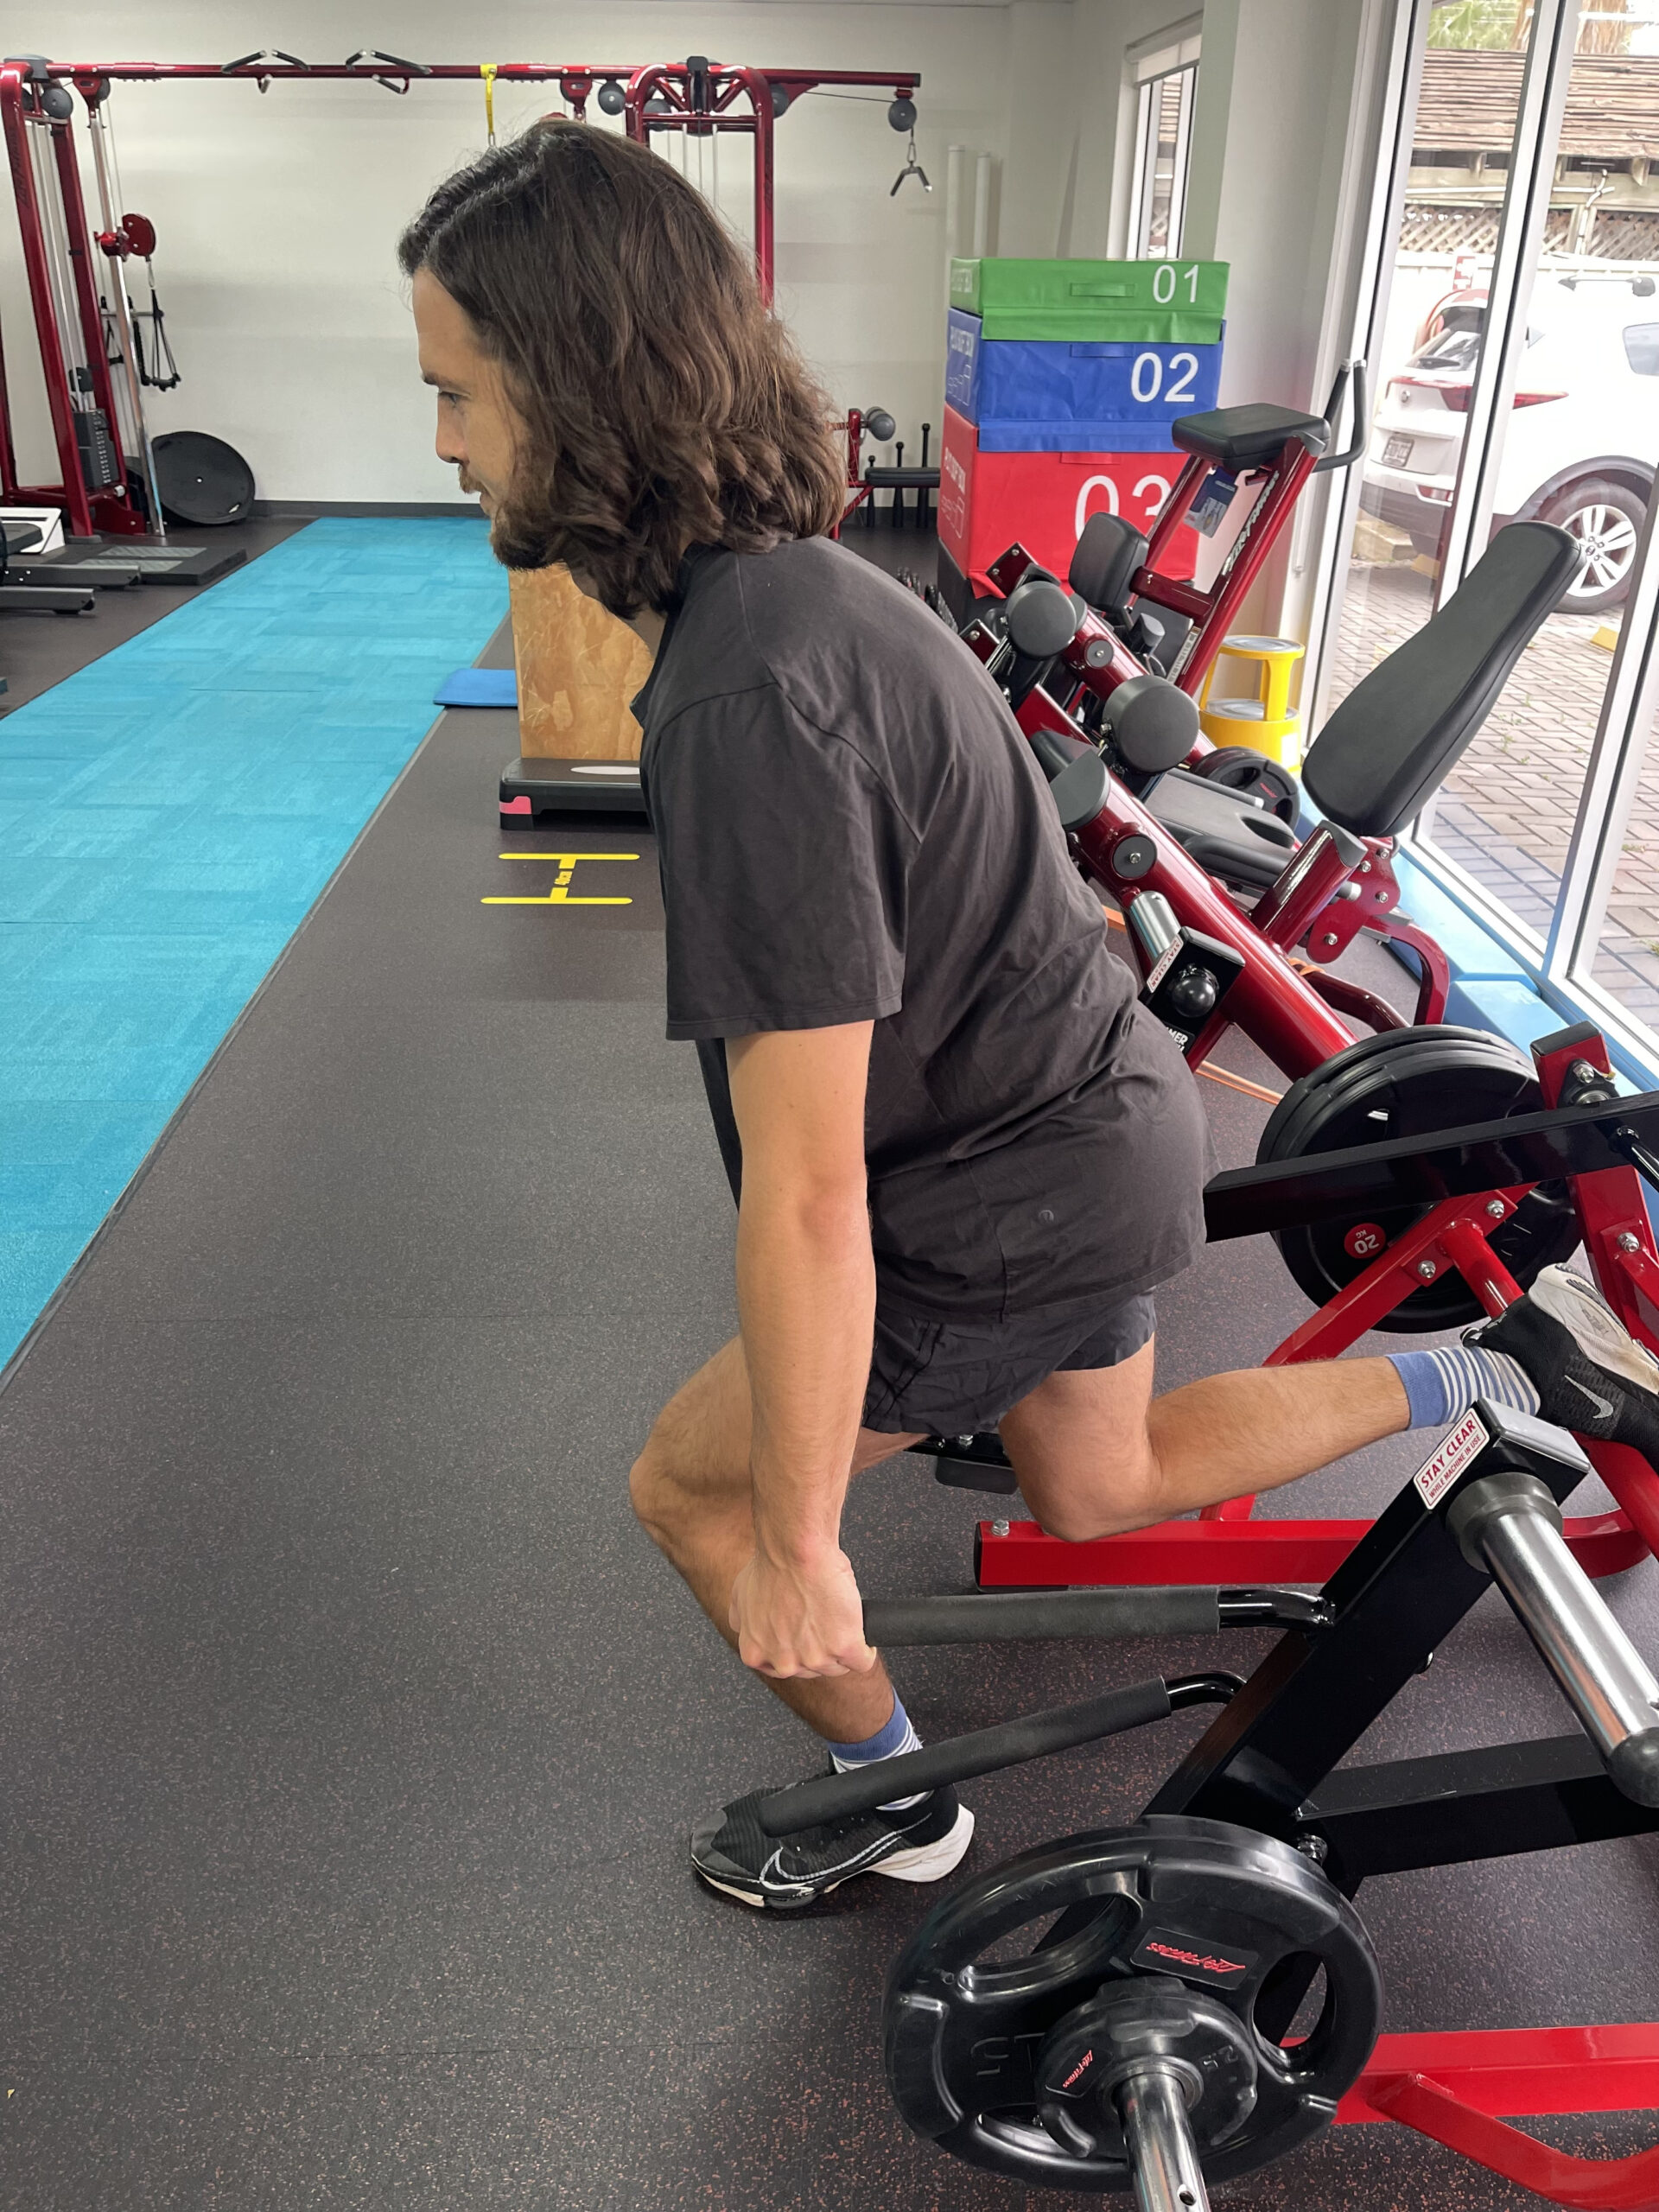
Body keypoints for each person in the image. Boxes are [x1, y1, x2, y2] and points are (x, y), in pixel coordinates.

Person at [400, 120, 1659, 1910]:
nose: (444, 437)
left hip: (1008, 1185)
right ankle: (1496, 1362)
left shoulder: (746, 695)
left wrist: (804, 1537)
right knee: (1101, 1475)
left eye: (459, 390)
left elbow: (814, 1185)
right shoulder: (791, 577)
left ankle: (895, 1800)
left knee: (696, 1490)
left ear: (572, 382)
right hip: (1097, 1114)